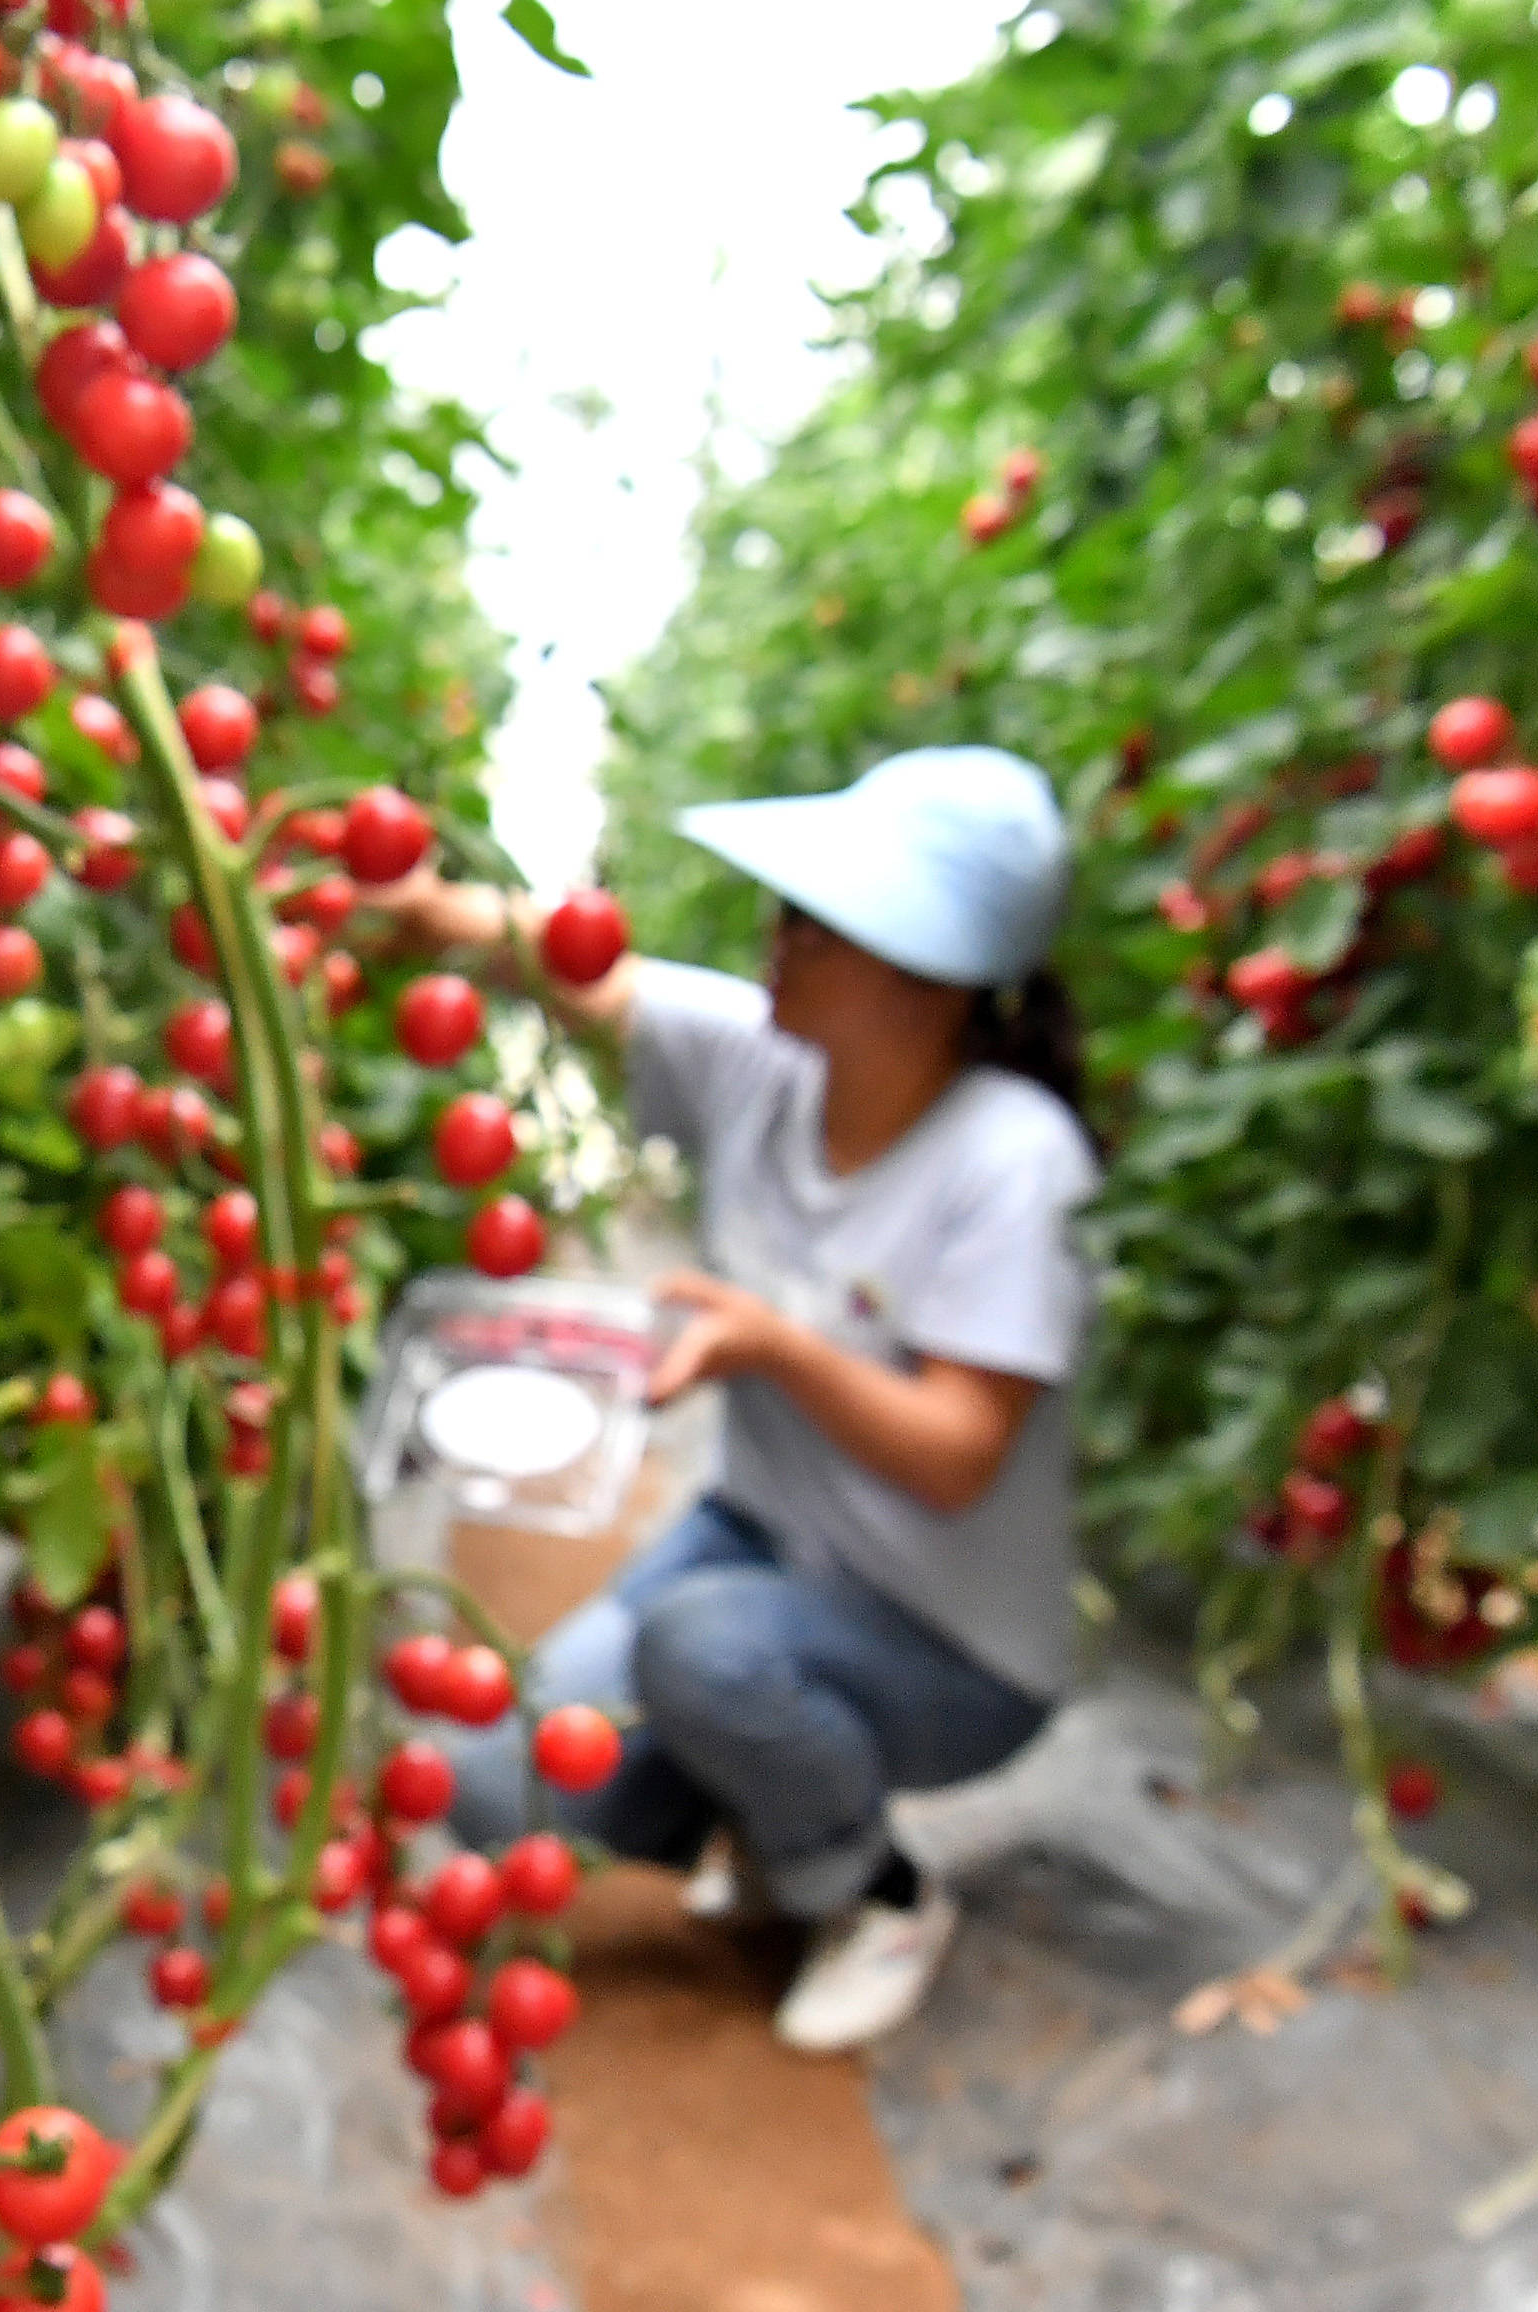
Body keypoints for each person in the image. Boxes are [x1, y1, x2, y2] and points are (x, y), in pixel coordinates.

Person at [375, 746, 1099, 2055]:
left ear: (921, 981)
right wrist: (427, 913)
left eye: (818, 927)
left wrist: (777, 1347)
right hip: (761, 1548)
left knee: (703, 1648)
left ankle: (868, 1888)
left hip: (944, 1647)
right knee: (497, 1781)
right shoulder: (764, 1064)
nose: (778, 941)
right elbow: (579, 973)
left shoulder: (1011, 1159)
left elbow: (956, 1457)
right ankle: (772, 1819)